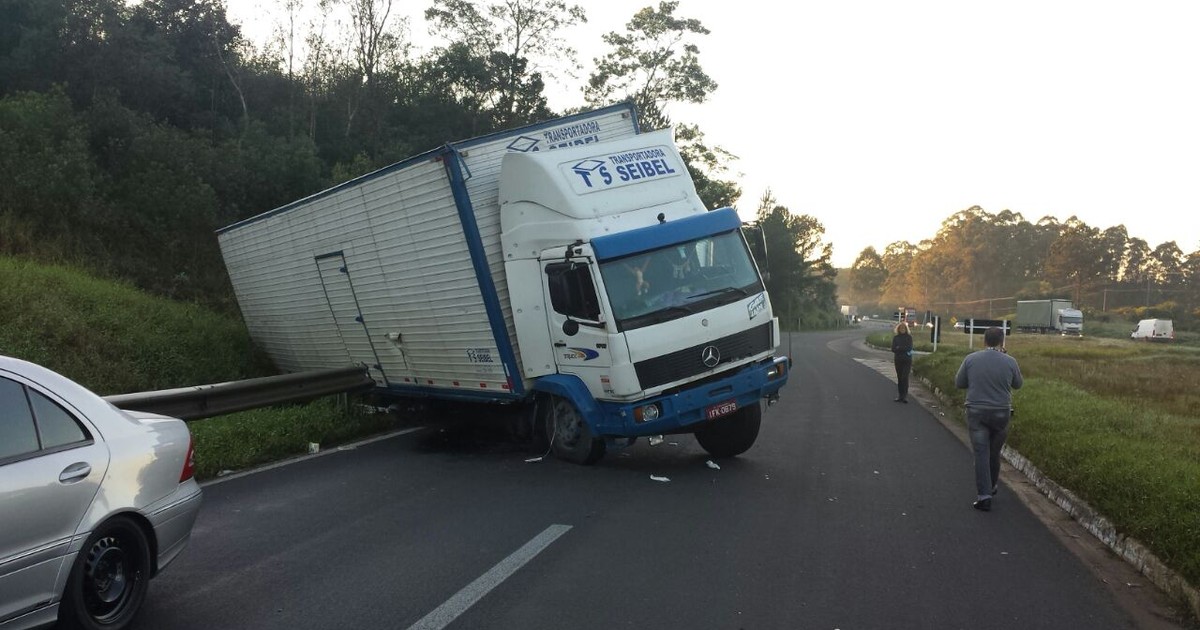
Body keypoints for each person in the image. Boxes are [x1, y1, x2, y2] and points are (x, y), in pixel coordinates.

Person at [955, 326, 1023, 512]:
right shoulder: (1010, 361)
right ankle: (992, 485)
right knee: (994, 452)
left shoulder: (971, 359)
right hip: (1001, 412)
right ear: (1002, 341)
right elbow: (1018, 384)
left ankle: (984, 496)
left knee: (981, 454)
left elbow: (959, 383)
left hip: (976, 411)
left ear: (984, 340)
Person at [890, 322, 913, 402]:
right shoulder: (896, 338)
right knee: (899, 378)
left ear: (906, 329)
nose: (902, 330)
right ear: (898, 329)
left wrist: (899, 348)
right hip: (898, 360)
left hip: (907, 360)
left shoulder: (909, 337)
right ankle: (900, 395)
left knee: (904, 377)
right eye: (901, 328)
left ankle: (905, 396)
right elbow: (893, 349)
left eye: (903, 328)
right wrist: (901, 348)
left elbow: (909, 348)